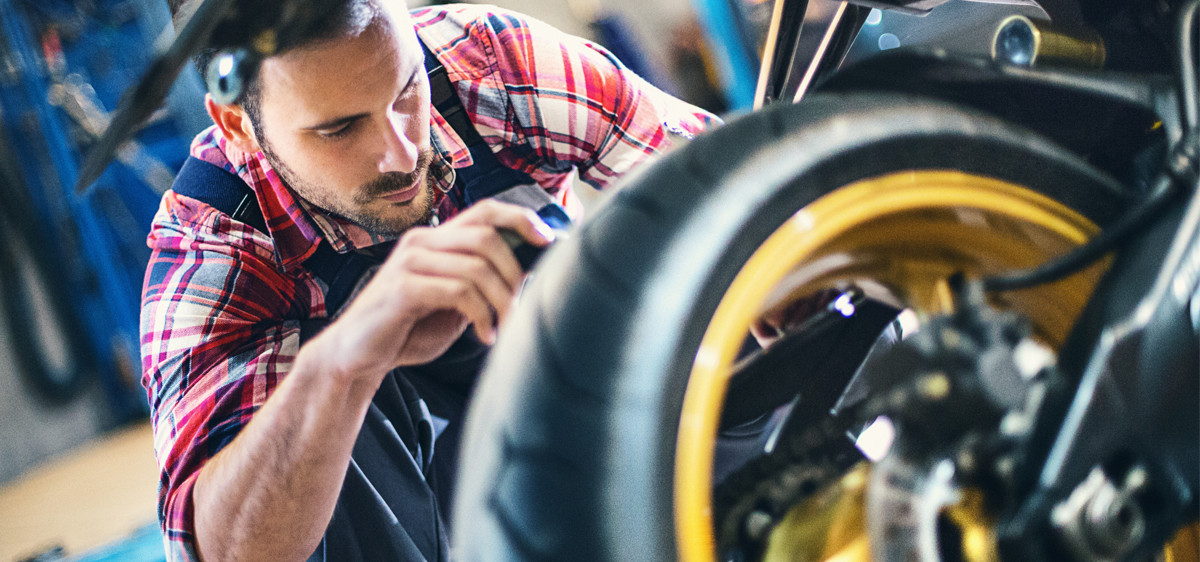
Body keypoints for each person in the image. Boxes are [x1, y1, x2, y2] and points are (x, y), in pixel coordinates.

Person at [139, 0, 718, 560]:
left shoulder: (495, 66)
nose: (401, 151)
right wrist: (345, 363)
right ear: (236, 123)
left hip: (572, 401)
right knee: (302, 407)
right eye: (340, 129)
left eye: (407, 89)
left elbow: (739, 187)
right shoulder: (213, 248)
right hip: (401, 503)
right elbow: (218, 551)